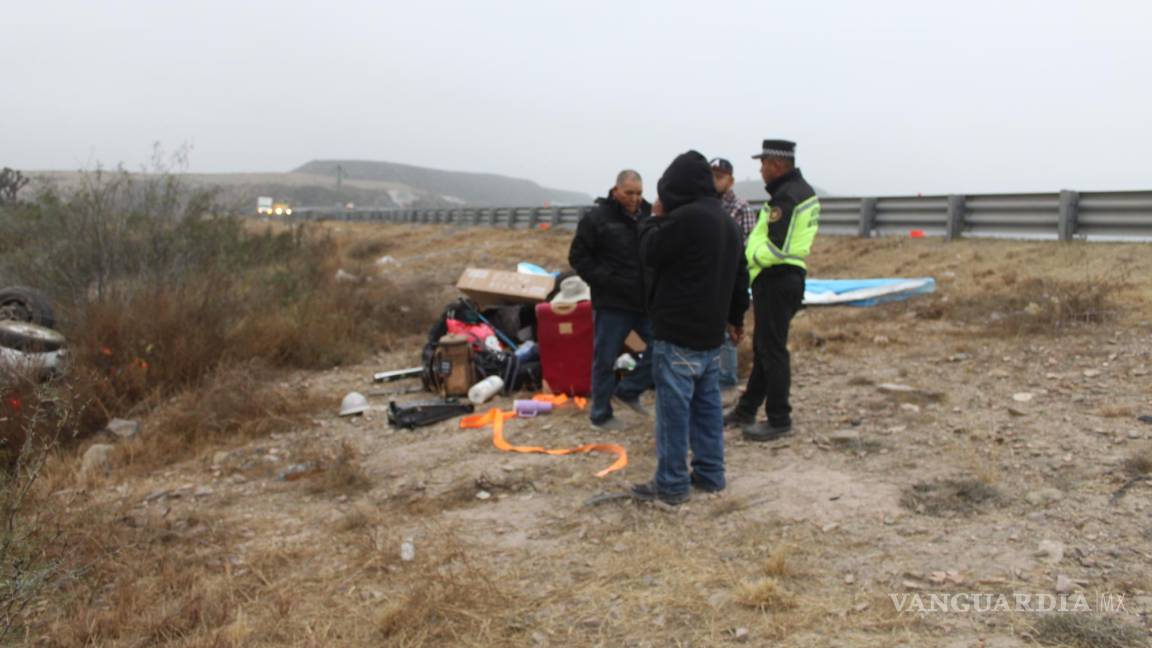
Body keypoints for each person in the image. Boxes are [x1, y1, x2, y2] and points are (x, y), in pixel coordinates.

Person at [633, 151, 750, 505]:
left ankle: (671, 484)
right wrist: (735, 318)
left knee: (673, 412)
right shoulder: (726, 221)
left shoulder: (683, 219)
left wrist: (653, 219)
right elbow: (740, 277)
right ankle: (712, 474)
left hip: (677, 334)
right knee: (707, 407)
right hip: (710, 335)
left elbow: (650, 252)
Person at [725, 140, 820, 442]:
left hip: (778, 278)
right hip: (777, 279)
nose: (761, 170)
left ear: (777, 164)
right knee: (765, 347)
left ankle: (779, 417)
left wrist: (749, 257)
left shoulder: (788, 197)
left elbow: (778, 247)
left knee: (772, 349)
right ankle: (747, 409)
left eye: (763, 164)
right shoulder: (790, 192)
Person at [568, 169, 655, 431]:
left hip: (645, 301)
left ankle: (629, 389)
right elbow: (579, 258)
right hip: (612, 303)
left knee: (662, 346)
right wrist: (607, 279)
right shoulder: (596, 218)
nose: (634, 198)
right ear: (615, 190)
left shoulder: (650, 215)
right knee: (605, 358)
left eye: (639, 193)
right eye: (629, 193)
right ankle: (600, 414)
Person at [710, 158, 756, 391]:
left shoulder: (740, 208)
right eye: (711, 175)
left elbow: (743, 248)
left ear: (730, 180)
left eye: (719, 176)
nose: (714, 180)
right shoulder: (705, 204)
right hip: (708, 277)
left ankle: (727, 379)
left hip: (728, 277)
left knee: (727, 328)